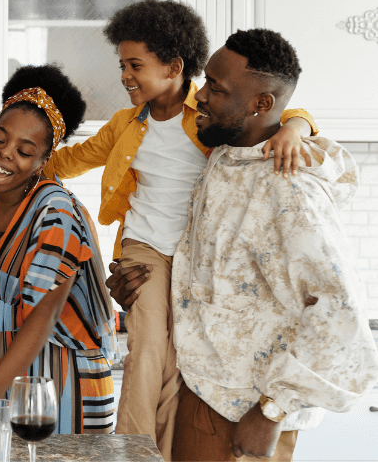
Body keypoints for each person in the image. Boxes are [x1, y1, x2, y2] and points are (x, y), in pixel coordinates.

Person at [40, 0, 316, 458]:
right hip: (144, 249)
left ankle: (160, 451)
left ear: (174, 66)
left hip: (195, 255)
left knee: (180, 361)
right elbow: (68, 161)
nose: (125, 75)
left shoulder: (210, 115)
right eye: (122, 64)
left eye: (135, 65)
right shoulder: (125, 124)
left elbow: (275, 107)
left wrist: (298, 127)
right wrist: (14, 164)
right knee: (147, 350)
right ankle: (129, 449)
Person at [114, 29, 378, 461]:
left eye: (215, 89)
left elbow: (343, 313)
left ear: (261, 104)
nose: (197, 96)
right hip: (204, 393)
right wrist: (140, 293)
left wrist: (272, 412)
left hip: (241, 414)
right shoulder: (227, 156)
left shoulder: (286, 191)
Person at [0, 64, 118, 434]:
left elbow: (42, 318)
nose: (3, 155)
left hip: (61, 379)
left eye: (24, 150)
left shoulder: (56, 212)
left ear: (43, 162)